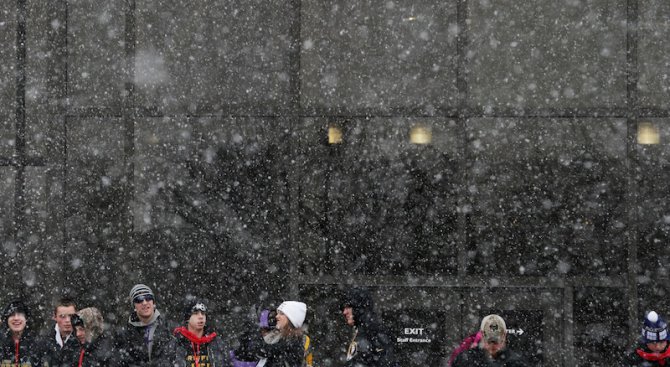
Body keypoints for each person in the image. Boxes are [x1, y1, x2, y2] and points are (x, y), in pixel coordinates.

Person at [109, 283, 174, 366]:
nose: (144, 302)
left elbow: (175, 357)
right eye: (139, 299)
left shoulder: (168, 328)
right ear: (134, 306)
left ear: (153, 302)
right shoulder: (123, 334)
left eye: (148, 298)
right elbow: (118, 361)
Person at [233, 301, 307, 367]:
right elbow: (248, 356)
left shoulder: (293, 342)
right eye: (277, 313)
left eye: (281, 314)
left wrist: (255, 330)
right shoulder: (279, 338)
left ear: (291, 318)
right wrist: (244, 341)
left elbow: (262, 351)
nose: (277, 316)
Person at [340, 288, 398, 367]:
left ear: (359, 308)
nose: (344, 312)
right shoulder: (366, 331)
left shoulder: (371, 334)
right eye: (344, 308)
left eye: (349, 307)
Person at [452, 314, 528, 367]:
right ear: (482, 335)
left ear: (504, 337)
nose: (493, 345)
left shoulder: (516, 362)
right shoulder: (465, 360)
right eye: (490, 340)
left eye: (496, 341)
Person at [173, 300, 229, 366]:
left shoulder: (216, 342)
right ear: (188, 318)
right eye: (196, 313)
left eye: (203, 313)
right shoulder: (177, 342)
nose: (201, 317)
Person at [0, 299, 47, 366]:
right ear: (6, 320)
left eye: (20, 314)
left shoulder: (39, 344)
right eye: (12, 315)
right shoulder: (1, 343)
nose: (16, 318)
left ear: (26, 319)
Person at [46, 297, 80, 365]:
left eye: (71, 316)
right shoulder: (44, 342)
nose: (67, 320)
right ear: (54, 317)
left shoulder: (82, 341)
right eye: (62, 316)